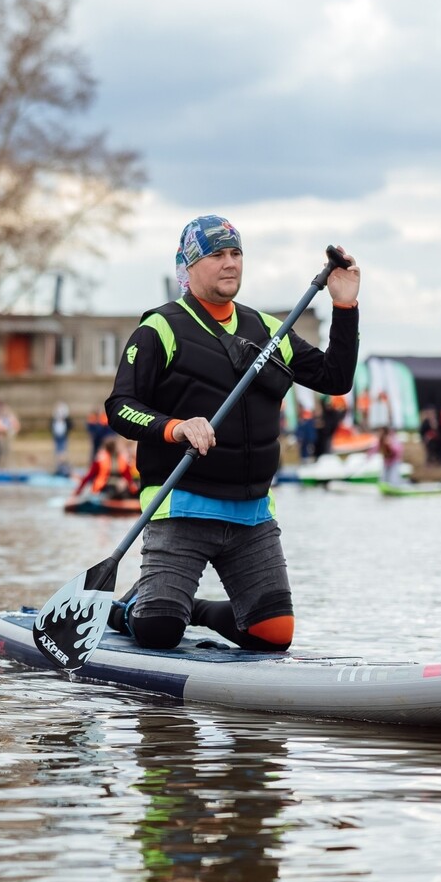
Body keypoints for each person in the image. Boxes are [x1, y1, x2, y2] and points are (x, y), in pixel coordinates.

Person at [104, 216, 360, 653]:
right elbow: (120, 407)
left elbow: (335, 379)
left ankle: (195, 610)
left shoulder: (270, 329)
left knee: (273, 636)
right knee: (159, 632)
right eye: (216, 255)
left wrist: (345, 307)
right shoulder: (159, 329)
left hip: (251, 514)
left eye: (236, 253)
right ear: (188, 266)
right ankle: (132, 609)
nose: (230, 263)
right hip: (181, 506)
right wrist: (176, 427)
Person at [72, 435, 138, 500]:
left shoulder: (122, 460)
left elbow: (128, 477)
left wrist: (131, 487)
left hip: (118, 487)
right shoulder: (100, 461)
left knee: (122, 489)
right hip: (105, 488)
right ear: (115, 448)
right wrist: (79, 490)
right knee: (113, 491)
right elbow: (88, 476)